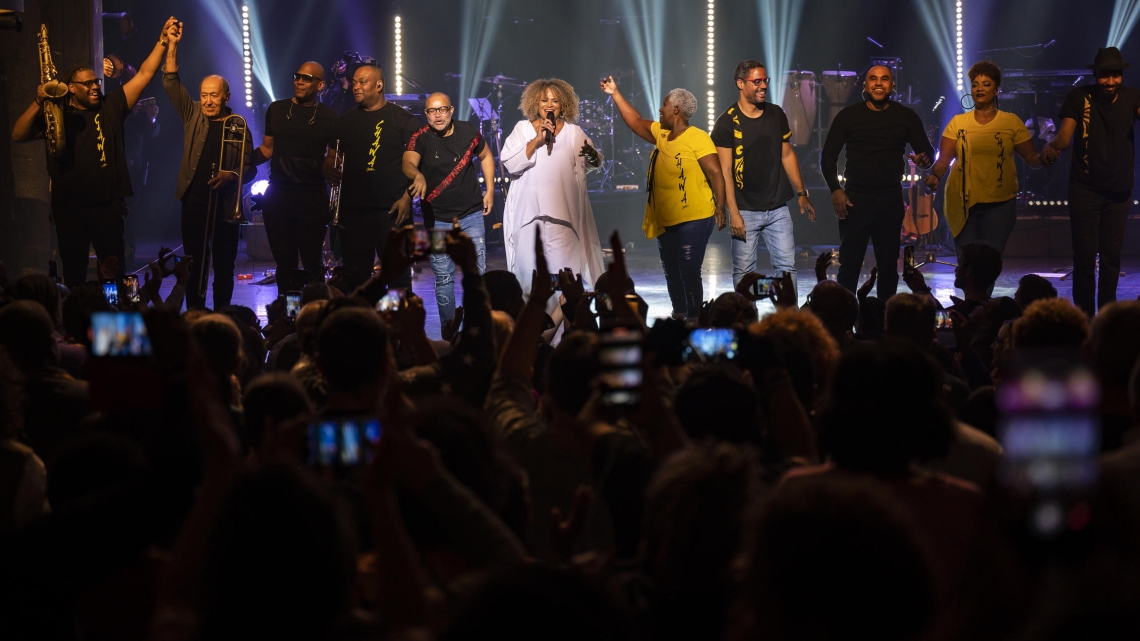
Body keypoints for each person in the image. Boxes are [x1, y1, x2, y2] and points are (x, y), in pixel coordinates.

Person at [10, 17, 178, 287]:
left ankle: (115, 327)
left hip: (107, 207)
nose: (95, 86)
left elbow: (145, 74)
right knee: (75, 274)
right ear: (70, 88)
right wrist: (39, 101)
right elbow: (17, 134)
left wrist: (162, 40)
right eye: (87, 83)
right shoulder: (57, 114)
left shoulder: (111, 106)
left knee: (114, 274)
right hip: (69, 209)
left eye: (96, 81)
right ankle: (79, 323)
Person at [600, 78, 726, 320]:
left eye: (665, 104)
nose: (660, 109)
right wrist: (615, 93)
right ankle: (679, 314)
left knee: (688, 270)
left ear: (676, 110)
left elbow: (715, 172)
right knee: (671, 270)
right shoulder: (662, 134)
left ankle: (695, 319)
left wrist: (720, 206)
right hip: (666, 216)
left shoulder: (697, 137)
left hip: (695, 216)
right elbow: (635, 121)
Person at [161, 20, 255, 309]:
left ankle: (223, 313)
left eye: (214, 95)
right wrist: (172, 46)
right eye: (204, 95)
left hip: (225, 205)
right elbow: (170, 82)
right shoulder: (192, 115)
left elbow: (251, 168)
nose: (208, 101)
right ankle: (196, 313)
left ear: (226, 96)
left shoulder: (238, 126)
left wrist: (233, 174)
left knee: (224, 265)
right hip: (195, 202)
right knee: (193, 263)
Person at [1042, 47, 1140, 316]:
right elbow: (1065, 136)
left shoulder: (1133, 97)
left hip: (1119, 190)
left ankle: (1107, 318)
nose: (1110, 82)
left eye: (1115, 76)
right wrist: (1052, 147)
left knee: (1111, 259)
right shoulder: (1079, 97)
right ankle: (1084, 319)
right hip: (1084, 187)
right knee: (1084, 258)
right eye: (1105, 76)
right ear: (1095, 74)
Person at [822, 65, 934, 299]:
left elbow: (927, 155)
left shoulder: (906, 116)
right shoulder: (849, 116)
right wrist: (835, 189)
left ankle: (884, 324)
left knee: (888, 268)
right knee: (849, 266)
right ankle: (843, 321)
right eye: (873, 79)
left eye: (885, 79)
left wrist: (924, 160)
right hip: (855, 200)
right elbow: (828, 156)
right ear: (865, 85)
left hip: (890, 200)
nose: (879, 83)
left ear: (893, 85)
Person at [711, 60, 817, 294]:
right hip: (745, 211)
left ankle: (787, 320)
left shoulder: (776, 114)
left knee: (787, 269)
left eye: (765, 81)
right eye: (756, 81)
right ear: (740, 83)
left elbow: (787, 155)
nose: (763, 86)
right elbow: (725, 172)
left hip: (778, 209)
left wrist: (802, 194)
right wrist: (734, 213)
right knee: (744, 272)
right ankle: (747, 321)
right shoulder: (726, 122)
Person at [500, 78, 605, 302]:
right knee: (530, 280)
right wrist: (536, 141)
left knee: (563, 282)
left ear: (563, 104)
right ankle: (533, 333)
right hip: (529, 218)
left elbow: (595, 163)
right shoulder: (522, 129)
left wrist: (593, 156)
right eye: (544, 100)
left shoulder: (574, 133)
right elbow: (509, 163)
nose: (549, 104)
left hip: (563, 219)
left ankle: (559, 335)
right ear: (534, 104)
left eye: (555, 100)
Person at [925, 62, 1042, 254]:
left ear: (997, 90)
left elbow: (1031, 158)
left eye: (986, 84)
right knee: (967, 265)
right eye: (975, 84)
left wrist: (1044, 159)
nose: (979, 88)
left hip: (1000, 205)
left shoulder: (1011, 122)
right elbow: (944, 159)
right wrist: (935, 176)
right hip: (961, 202)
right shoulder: (958, 123)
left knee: (989, 264)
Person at [324, 64, 419, 290]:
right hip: (354, 212)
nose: (355, 86)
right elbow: (331, 156)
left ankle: (399, 324)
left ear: (379, 85)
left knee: (398, 276)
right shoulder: (345, 121)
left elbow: (416, 166)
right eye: (354, 82)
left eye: (362, 82)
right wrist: (327, 166)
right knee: (356, 278)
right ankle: (363, 323)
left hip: (393, 211)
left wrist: (407, 198)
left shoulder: (403, 119)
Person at [403, 92, 495, 325]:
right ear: (426, 114)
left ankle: (477, 325)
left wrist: (491, 190)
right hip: (435, 220)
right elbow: (408, 162)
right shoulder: (420, 137)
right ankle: (448, 328)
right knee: (443, 277)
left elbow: (485, 156)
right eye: (432, 111)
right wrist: (418, 175)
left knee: (478, 272)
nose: (438, 115)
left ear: (451, 110)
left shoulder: (468, 131)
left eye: (442, 109)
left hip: (471, 213)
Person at [253, 62, 338, 296]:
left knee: (313, 264)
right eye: (297, 76)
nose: (300, 81)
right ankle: (289, 317)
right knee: (285, 265)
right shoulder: (277, 109)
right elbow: (268, 148)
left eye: (307, 78)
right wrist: (241, 164)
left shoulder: (329, 117)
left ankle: (316, 316)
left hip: (312, 197)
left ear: (320, 85)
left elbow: (331, 159)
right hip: (279, 196)